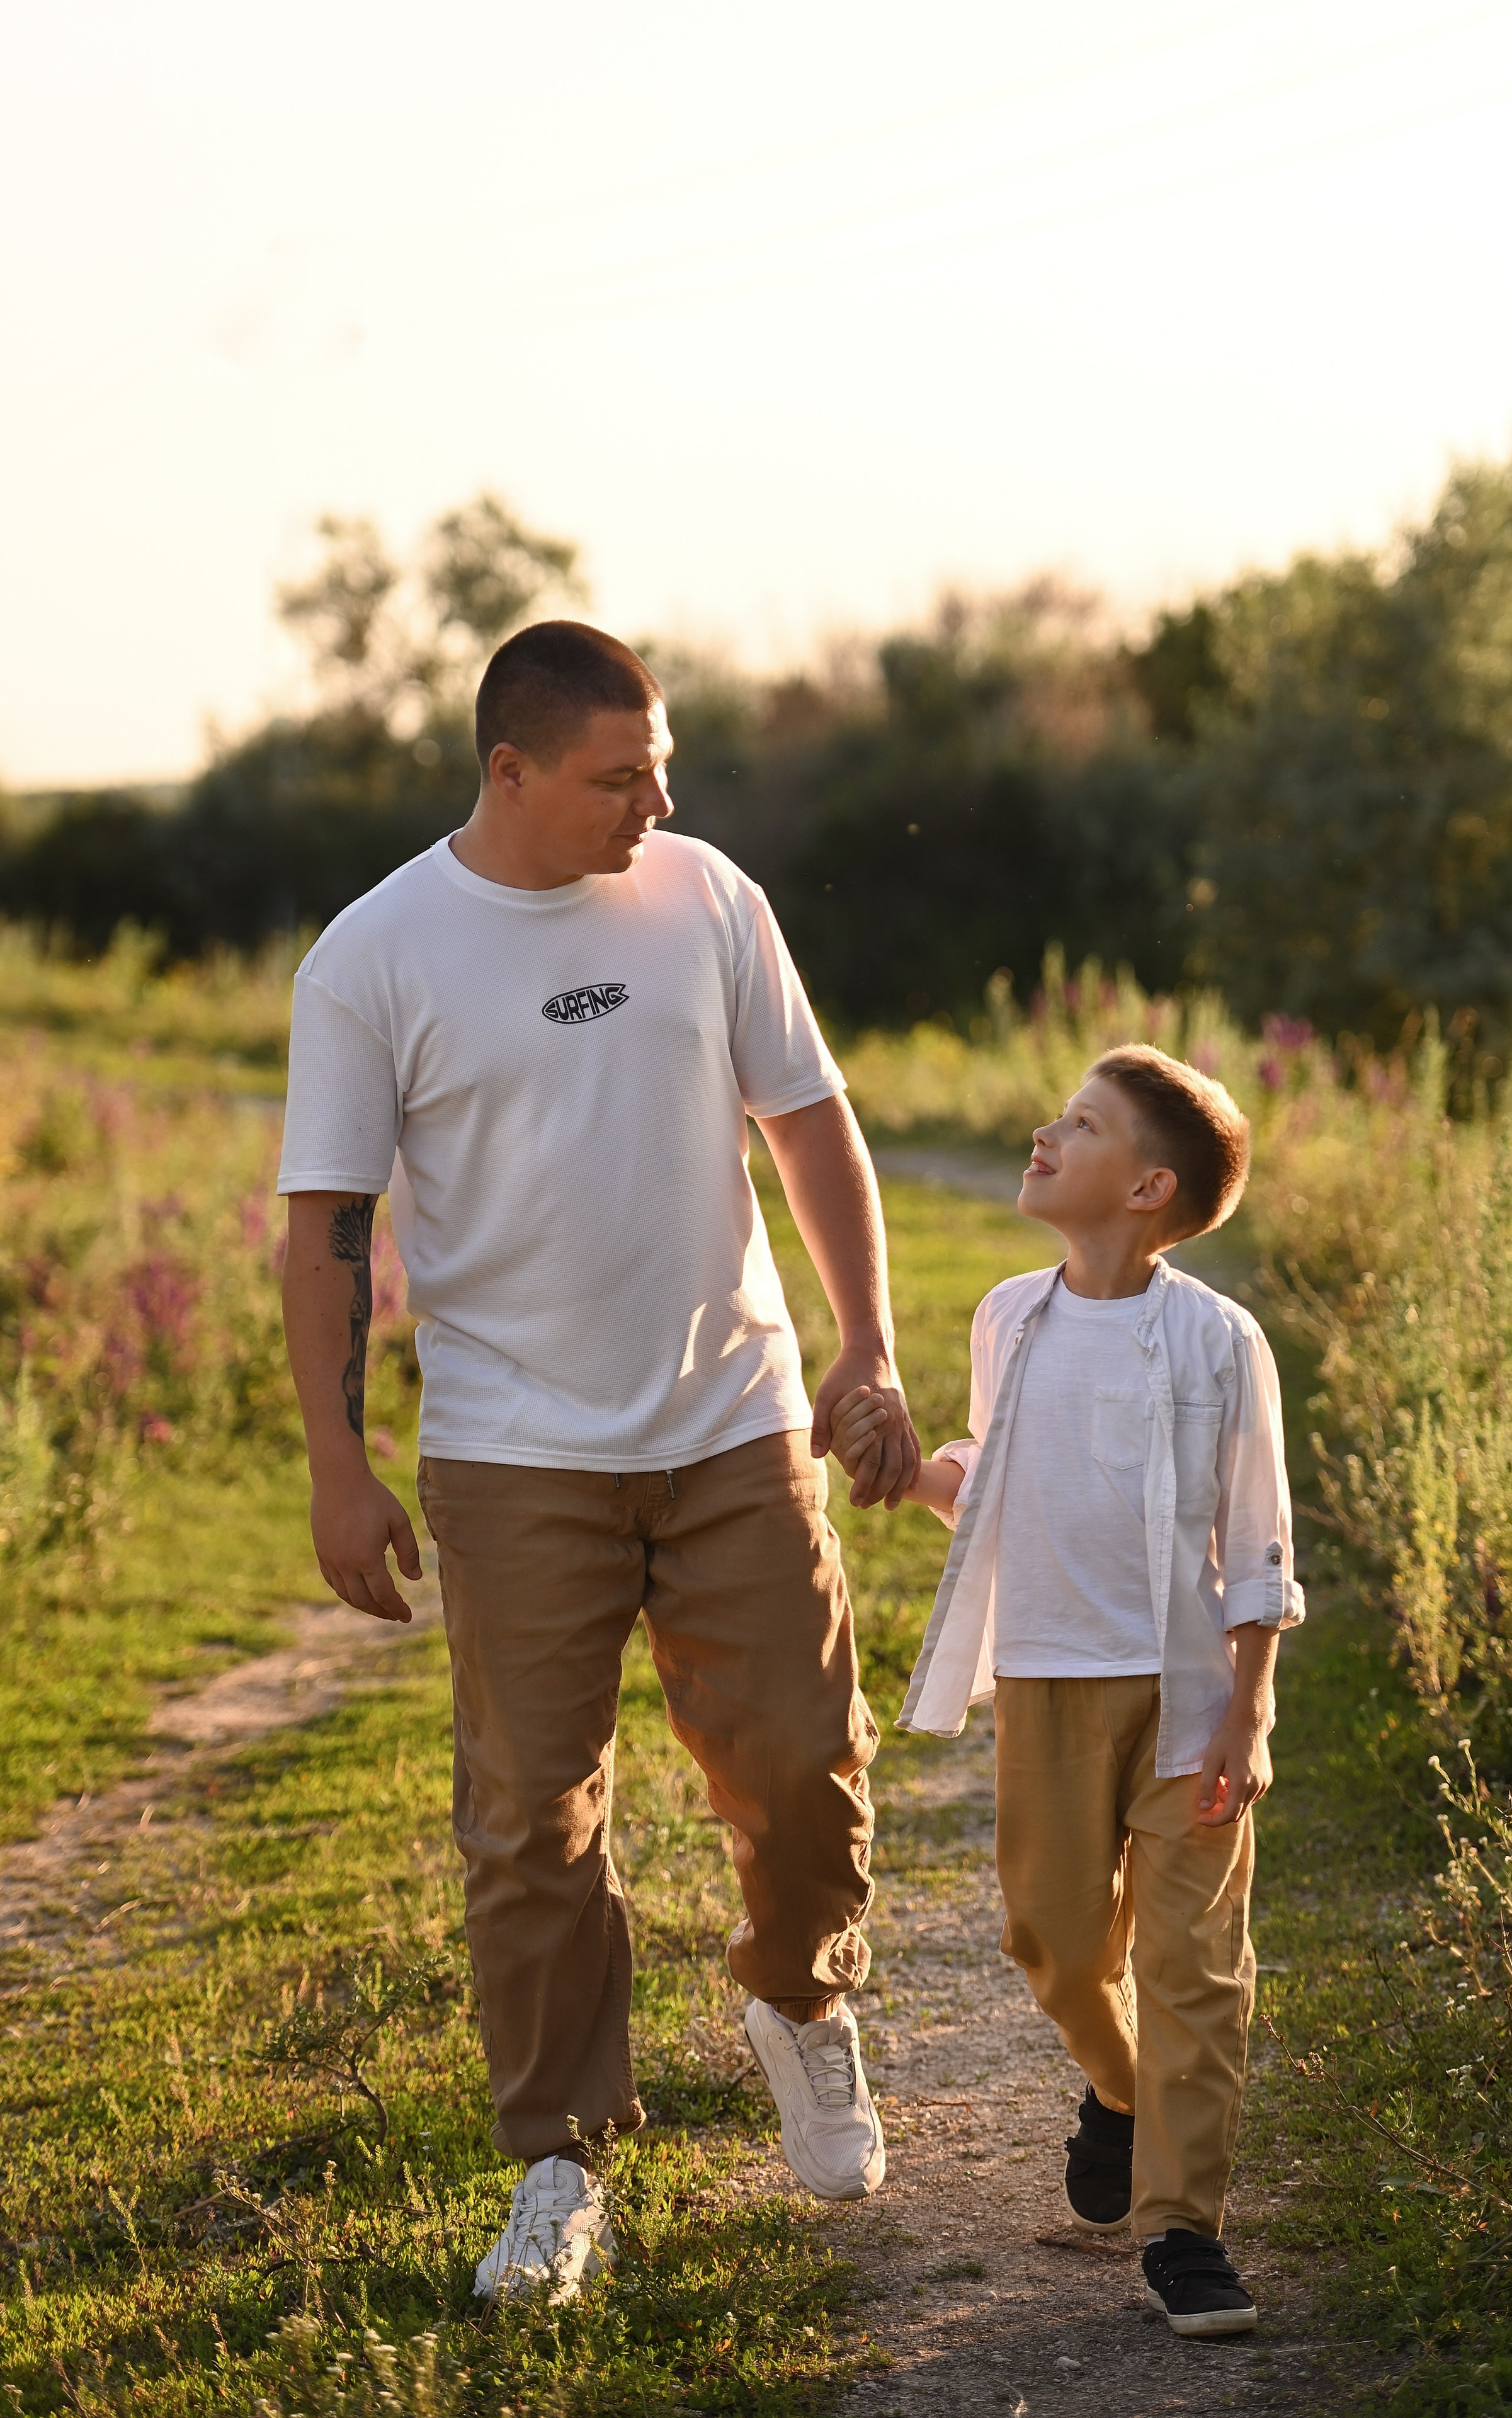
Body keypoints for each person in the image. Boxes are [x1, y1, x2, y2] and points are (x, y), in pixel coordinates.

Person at [278, 620, 919, 2302]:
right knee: (529, 1823)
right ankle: (559, 2168)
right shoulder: (375, 955)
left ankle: (797, 1996)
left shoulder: (709, 897)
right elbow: (326, 1223)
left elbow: (809, 1121)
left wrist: (867, 1341)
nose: (657, 801)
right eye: (617, 778)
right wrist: (338, 1468)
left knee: (804, 1757)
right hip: (512, 1451)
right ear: (509, 772)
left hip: (733, 1413)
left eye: (665, 770)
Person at [828, 1045, 1304, 2341]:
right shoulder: (1007, 1316)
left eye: (1078, 1126)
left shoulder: (1216, 1340)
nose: (1043, 1133)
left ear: (1146, 1186)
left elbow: (1259, 1543)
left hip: (1186, 1695)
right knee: (1048, 1939)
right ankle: (1121, 2091)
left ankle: (1183, 2232)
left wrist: (1245, 1712)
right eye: (1054, 1116)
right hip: (1043, 1679)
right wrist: (907, 1468)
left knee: (1194, 1965)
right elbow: (991, 1487)